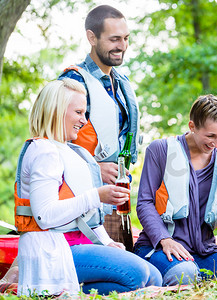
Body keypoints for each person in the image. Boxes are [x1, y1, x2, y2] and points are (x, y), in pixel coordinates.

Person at [15, 79, 161, 296]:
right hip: (52, 250)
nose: (84, 121)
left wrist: (107, 242)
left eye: (85, 113)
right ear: (56, 111)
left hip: (77, 245)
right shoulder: (43, 151)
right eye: (78, 112)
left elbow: (86, 215)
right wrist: (97, 195)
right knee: (137, 274)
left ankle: (72, 292)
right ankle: (60, 290)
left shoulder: (73, 152)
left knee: (154, 276)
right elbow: (44, 216)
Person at [133, 94, 217, 286]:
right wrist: (164, 239)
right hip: (160, 246)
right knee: (185, 274)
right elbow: (145, 203)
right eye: (210, 136)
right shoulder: (160, 150)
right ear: (192, 127)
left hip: (204, 250)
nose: (216, 143)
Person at [58, 5, 139, 250]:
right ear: (92, 38)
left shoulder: (122, 84)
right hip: (82, 201)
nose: (122, 46)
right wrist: (94, 167)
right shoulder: (73, 82)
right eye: (114, 39)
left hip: (116, 198)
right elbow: (52, 142)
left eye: (125, 39)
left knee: (133, 273)